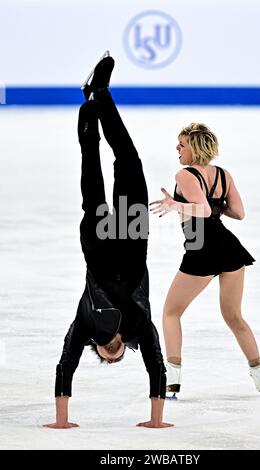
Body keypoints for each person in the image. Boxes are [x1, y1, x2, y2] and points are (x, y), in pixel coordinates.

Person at [44, 52, 173, 429]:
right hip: (133, 240)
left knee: (92, 172)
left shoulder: (86, 326)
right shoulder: (138, 328)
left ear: (97, 349)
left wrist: (62, 421)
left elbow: (65, 365)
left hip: (99, 247)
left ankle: (88, 109)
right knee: (129, 162)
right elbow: (157, 367)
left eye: (106, 355)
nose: (112, 353)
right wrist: (156, 420)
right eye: (118, 356)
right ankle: (100, 93)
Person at [150, 123, 260, 399]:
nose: (177, 149)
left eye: (182, 145)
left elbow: (203, 210)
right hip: (229, 248)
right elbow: (238, 213)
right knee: (234, 316)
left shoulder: (184, 174)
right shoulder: (223, 175)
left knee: (171, 312)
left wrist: (175, 205)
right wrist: (214, 205)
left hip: (202, 248)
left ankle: (171, 382)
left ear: (194, 150)